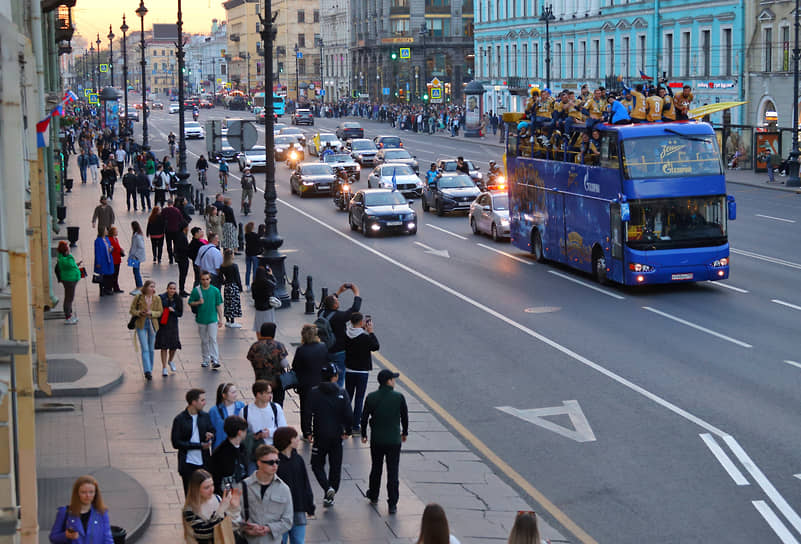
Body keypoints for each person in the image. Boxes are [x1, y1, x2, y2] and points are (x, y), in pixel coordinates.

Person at [361, 369, 409, 514]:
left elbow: (363, 418)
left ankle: (374, 494)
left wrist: (364, 434)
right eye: (393, 379)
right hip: (394, 440)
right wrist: (404, 432)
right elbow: (404, 417)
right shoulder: (399, 397)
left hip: (377, 440)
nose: (394, 381)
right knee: (393, 471)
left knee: (376, 468)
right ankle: (392, 503)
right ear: (389, 381)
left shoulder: (371, 397)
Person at [309, 363, 352, 507]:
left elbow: (307, 413)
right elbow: (348, 415)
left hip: (320, 435)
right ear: (335, 377)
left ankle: (327, 488)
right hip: (337, 436)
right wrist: (348, 430)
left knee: (316, 464)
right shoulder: (342, 393)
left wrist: (307, 431)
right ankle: (331, 494)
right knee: (335, 466)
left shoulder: (314, 392)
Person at [237, 445, 293, 543]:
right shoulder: (243, 486)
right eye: (270, 462)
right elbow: (234, 517)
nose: (275, 465)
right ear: (259, 463)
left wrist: (268, 528)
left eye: (277, 462)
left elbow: (288, 521)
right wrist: (245, 529)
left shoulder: (284, 489)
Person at [274, 427, 315, 544]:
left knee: (298, 540)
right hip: (280, 511)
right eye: (295, 437)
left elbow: (305, 483)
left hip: (298, 507)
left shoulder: (298, 459)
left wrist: (309, 505)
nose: (298, 439)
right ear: (288, 441)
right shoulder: (275, 463)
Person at [318, 282, 362, 388]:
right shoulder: (339, 316)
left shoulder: (321, 313)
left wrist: (339, 292)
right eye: (337, 301)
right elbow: (354, 309)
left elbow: (326, 303)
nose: (338, 302)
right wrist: (356, 293)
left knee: (326, 375)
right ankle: (336, 395)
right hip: (339, 351)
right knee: (339, 376)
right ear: (334, 305)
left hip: (324, 349)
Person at [171, 388, 215, 494]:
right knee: (190, 494)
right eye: (202, 400)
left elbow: (212, 430)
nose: (205, 403)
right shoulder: (180, 419)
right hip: (188, 463)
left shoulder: (205, 416)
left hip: (204, 462)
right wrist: (199, 446)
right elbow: (176, 443)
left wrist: (211, 435)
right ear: (193, 402)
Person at [49, 475, 114, 544]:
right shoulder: (64, 512)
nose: (88, 495)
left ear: (96, 493)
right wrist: (66, 535)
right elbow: (53, 537)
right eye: (83, 492)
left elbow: (108, 539)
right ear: (77, 493)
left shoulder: (102, 513)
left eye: (91, 492)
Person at [182, 469, 241, 544]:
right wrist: (221, 509)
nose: (211, 490)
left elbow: (230, 526)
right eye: (206, 487)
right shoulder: (189, 510)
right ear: (196, 489)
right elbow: (204, 534)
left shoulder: (217, 498)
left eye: (212, 485)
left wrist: (234, 508)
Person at [292, 324, 329, 440]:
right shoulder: (323, 347)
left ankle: (307, 432)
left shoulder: (301, 349)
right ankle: (319, 429)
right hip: (320, 382)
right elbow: (326, 362)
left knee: (305, 409)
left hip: (305, 384)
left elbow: (295, 366)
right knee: (319, 408)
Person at [345, 312, 379, 433]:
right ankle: (355, 425)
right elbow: (375, 346)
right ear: (360, 323)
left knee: (348, 397)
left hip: (349, 370)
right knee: (359, 398)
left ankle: (345, 423)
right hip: (362, 372)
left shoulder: (347, 334)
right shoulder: (365, 337)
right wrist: (371, 332)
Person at [247, 322, 290, 406]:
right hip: (277, 381)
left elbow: (251, 359)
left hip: (260, 381)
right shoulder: (278, 346)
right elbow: (284, 364)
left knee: (263, 404)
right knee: (278, 403)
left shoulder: (255, 346)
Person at [188, 272, 224, 370]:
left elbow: (218, 305)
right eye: (203, 279)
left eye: (207, 279)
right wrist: (198, 302)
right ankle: (206, 359)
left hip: (212, 319)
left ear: (210, 279)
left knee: (213, 339)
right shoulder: (196, 291)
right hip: (201, 319)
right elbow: (190, 302)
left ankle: (215, 359)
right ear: (200, 280)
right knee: (204, 340)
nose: (205, 281)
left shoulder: (215, 291)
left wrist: (221, 319)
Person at [129, 280, 163, 380]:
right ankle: (147, 371)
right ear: (146, 287)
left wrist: (151, 313)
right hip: (141, 324)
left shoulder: (157, 298)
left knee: (151, 348)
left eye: (154, 287)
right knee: (145, 348)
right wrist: (140, 313)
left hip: (153, 324)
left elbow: (160, 312)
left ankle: (150, 368)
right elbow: (132, 310)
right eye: (151, 286)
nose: (153, 289)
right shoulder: (138, 297)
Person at [209, 416, 250, 493]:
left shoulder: (243, 448)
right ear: (240, 432)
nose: (246, 433)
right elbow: (216, 478)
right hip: (226, 493)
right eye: (245, 430)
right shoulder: (220, 453)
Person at [155, 281, 183, 376]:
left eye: (174, 288)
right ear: (167, 289)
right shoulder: (161, 298)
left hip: (173, 325)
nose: (172, 290)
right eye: (170, 288)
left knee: (174, 346)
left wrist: (173, 311)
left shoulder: (178, 299)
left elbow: (180, 313)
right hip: (163, 325)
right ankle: (164, 367)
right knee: (164, 347)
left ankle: (170, 360)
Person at [210, 382, 246, 450]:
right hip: (221, 447)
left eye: (236, 392)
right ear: (224, 395)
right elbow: (211, 429)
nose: (235, 395)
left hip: (238, 446)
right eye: (233, 392)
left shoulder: (241, 406)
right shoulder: (214, 411)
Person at [56, 241, 82, 325]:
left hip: (69, 279)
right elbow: (70, 264)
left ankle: (69, 315)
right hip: (70, 280)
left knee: (69, 298)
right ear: (66, 250)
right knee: (69, 298)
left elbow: (71, 266)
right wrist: (70, 256)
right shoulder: (67, 259)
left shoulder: (62, 258)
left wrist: (76, 264)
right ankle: (68, 317)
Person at [220, 248, 243, 328]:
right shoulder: (234, 266)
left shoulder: (223, 266)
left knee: (227, 303)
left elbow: (220, 277)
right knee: (233, 303)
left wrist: (224, 282)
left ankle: (227, 320)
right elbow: (237, 278)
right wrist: (240, 288)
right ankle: (232, 321)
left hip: (227, 286)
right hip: (233, 286)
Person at [252, 263, 278, 331]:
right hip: (267, 308)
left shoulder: (254, 284)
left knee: (258, 327)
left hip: (258, 307)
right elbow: (275, 285)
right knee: (269, 326)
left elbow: (253, 297)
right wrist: (271, 275)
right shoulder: (267, 283)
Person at [161, 199, 185, 265]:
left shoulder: (164, 210)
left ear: (167, 204)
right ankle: (176, 256)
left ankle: (170, 258)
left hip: (168, 230)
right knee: (176, 244)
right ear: (173, 203)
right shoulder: (177, 210)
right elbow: (181, 220)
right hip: (176, 230)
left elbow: (162, 220)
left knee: (169, 245)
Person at [93, 226, 114, 297]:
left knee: (107, 275)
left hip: (108, 259)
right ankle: (101, 290)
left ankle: (106, 289)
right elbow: (97, 252)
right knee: (101, 276)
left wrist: (111, 249)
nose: (107, 231)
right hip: (102, 260)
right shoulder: (97, 240)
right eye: (105, 230)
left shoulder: (107, 239)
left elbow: (109, 247)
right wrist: (98, 262)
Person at [128, 221, 146, 295]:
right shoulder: (136, 235)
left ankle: (139, 286)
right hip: (135, 256)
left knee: (136, 271)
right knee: (135, 271)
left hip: (136, 257)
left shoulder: (137, 236)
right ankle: (138, 286)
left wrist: (135, 255)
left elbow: (141, 247)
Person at [174, 223, 191, 297]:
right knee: (183, 275)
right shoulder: (182, 236)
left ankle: (182, 289)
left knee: (183, 275)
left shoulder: (180, 235)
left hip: (181, 258)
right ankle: (181, 290)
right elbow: (184, 248)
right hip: (183, 258)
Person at [107, 226, 124, 293]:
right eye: (116, 231)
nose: (117, 232)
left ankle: (116, 287)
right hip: (113, 259)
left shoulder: (116, 239)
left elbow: (118, 247)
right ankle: (111, 287)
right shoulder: (110, 239)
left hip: (117, 259)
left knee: (116, 274)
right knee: (112, 275)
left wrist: (121, 250)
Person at [244, 222, 261, 288]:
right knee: (255, 270)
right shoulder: (255, 235)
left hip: (248, 254)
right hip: (254, 254)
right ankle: (254, 283)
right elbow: (259, 242)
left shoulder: (246, 235)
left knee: (248, 270)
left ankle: (247, 284)